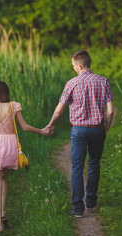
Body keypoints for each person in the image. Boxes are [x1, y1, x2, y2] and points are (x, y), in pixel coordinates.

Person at [46, 50, 114, 218]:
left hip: (78, 130)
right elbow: (111, 111)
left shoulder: (72, 83)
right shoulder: (103, 81)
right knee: (94, 164)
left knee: (77, 167)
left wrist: (51, 124)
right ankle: (90, 201)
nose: (74, 69)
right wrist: (106, 128)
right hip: (98, 129)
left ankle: (78, 208)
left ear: (80, 65)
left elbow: (59, 110)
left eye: (74, 66)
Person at [0, 81, 51, 232]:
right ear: (6, 91)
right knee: (4, 178)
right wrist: (42, 131)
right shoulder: (14, 105)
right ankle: (3, 211)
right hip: (9, 145)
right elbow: (24, 127)